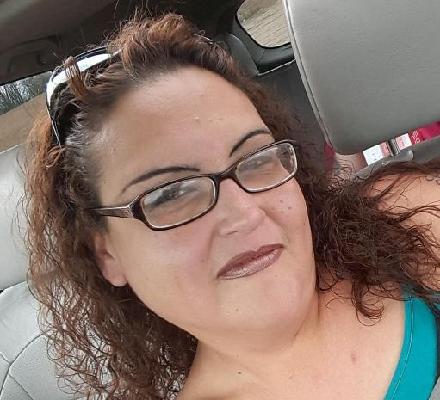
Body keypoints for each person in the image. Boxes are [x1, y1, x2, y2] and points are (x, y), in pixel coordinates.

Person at [24, 13, 440, 400]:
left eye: (256, 160)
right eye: (170, 194)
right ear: (106, 254)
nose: (245, 214)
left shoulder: (407, 217)